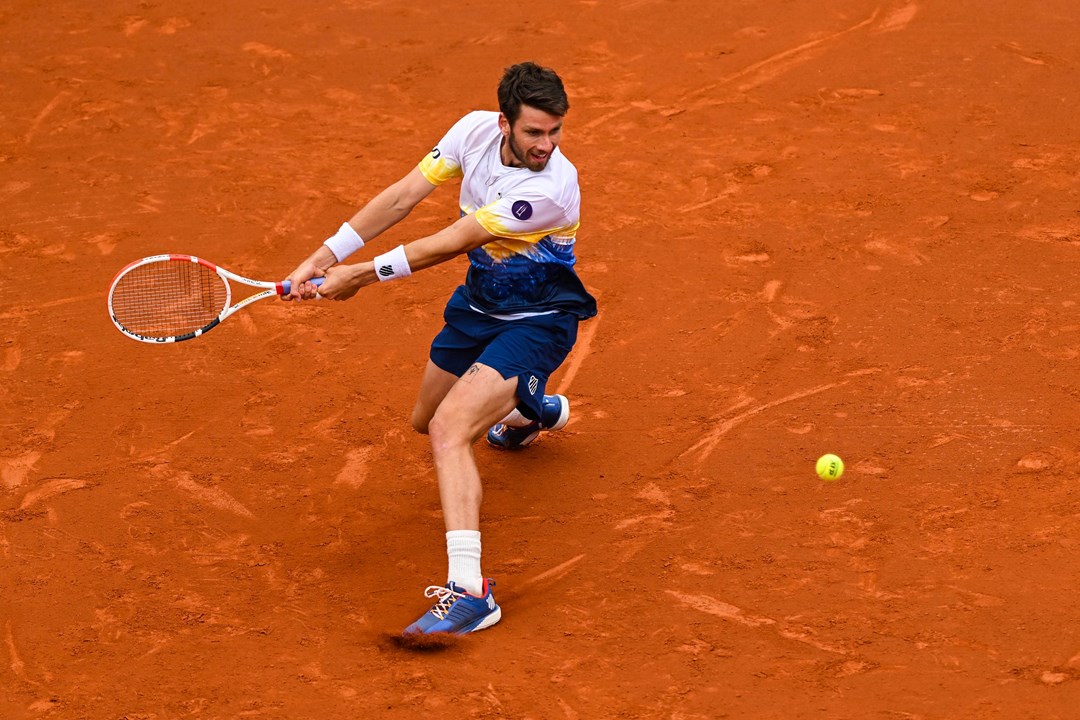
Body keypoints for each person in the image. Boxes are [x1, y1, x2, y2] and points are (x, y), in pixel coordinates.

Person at [283, 61, 597, 636]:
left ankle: (471, 592)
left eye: (554, 132)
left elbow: (451, 241)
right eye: (533, 132)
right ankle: (532, 409)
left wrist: (359, 276)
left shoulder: (550, 188)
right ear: (504, 123)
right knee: (423, 419)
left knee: (450, 429)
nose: (546, 145)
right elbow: (404, 196)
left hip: (541, 320)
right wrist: (325, 255)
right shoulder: (472, 132)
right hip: (478, 308)